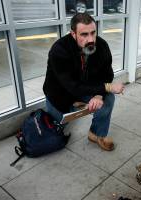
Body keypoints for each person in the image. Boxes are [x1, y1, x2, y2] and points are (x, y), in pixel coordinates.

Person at [43, 13, 124, 151]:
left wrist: (99, 95)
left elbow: (107, 74)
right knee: (53, 133)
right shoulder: (59, 50)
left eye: (93, 33)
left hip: (86, 89)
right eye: (84, 35)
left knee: (108, 99)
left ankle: (97, 134)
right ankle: (64, 115)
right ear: (73, 34)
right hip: (60, 94)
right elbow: (71, 86)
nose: (91, 39)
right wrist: (107, 87)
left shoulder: (102, 46)